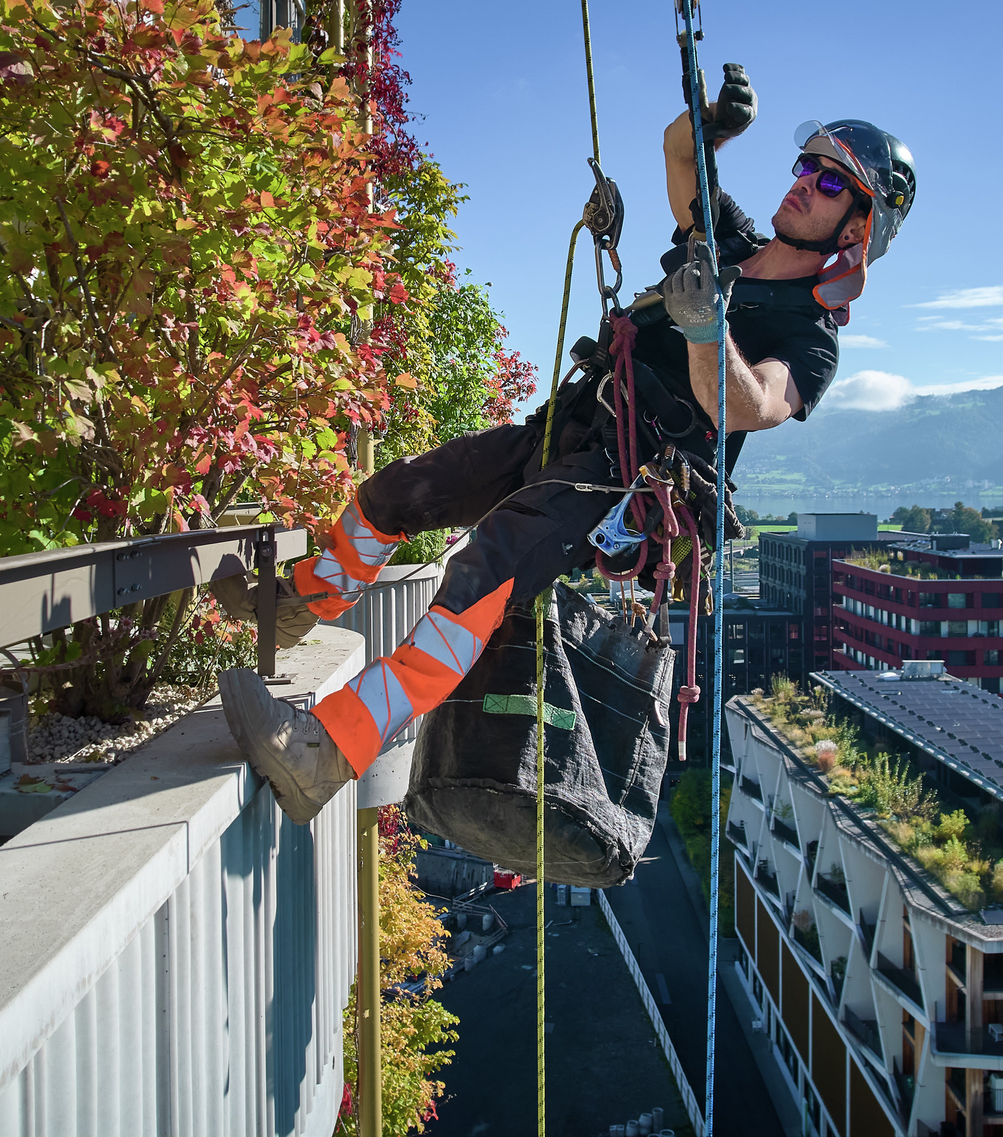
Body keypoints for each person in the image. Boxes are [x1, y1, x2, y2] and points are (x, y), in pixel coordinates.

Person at [219, 67, 916, 823]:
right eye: (805, 165)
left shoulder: (808, 338)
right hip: (568, 428)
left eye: (832, 181)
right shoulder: (726, 242)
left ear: (858, 229)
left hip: (624, 479)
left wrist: (708, 329)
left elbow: (749, 405)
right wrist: (712, 125)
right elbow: (678, 152)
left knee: (486, 572)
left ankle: (323, 753)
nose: (806, 182)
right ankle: (303, 604)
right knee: (399, 493)